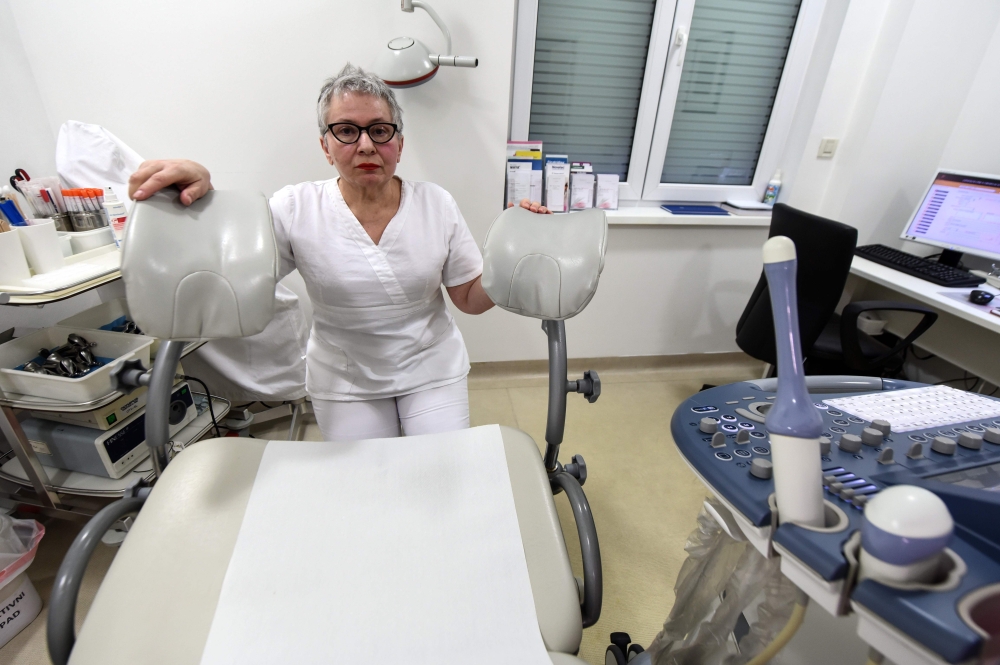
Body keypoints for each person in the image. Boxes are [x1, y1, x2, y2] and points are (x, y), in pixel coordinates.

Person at [128, 63, 550, 441]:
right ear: (325, 146)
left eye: (379, 131)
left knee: (440, 471)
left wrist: (511, 255)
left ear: (398, 145)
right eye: (347, 131)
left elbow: (470, 300)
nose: (365, 145)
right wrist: (201, 203)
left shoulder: (435, 204)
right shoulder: (295, 207)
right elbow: (227, 277)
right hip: (345, 375)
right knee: (365, 482)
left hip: (429, 366)